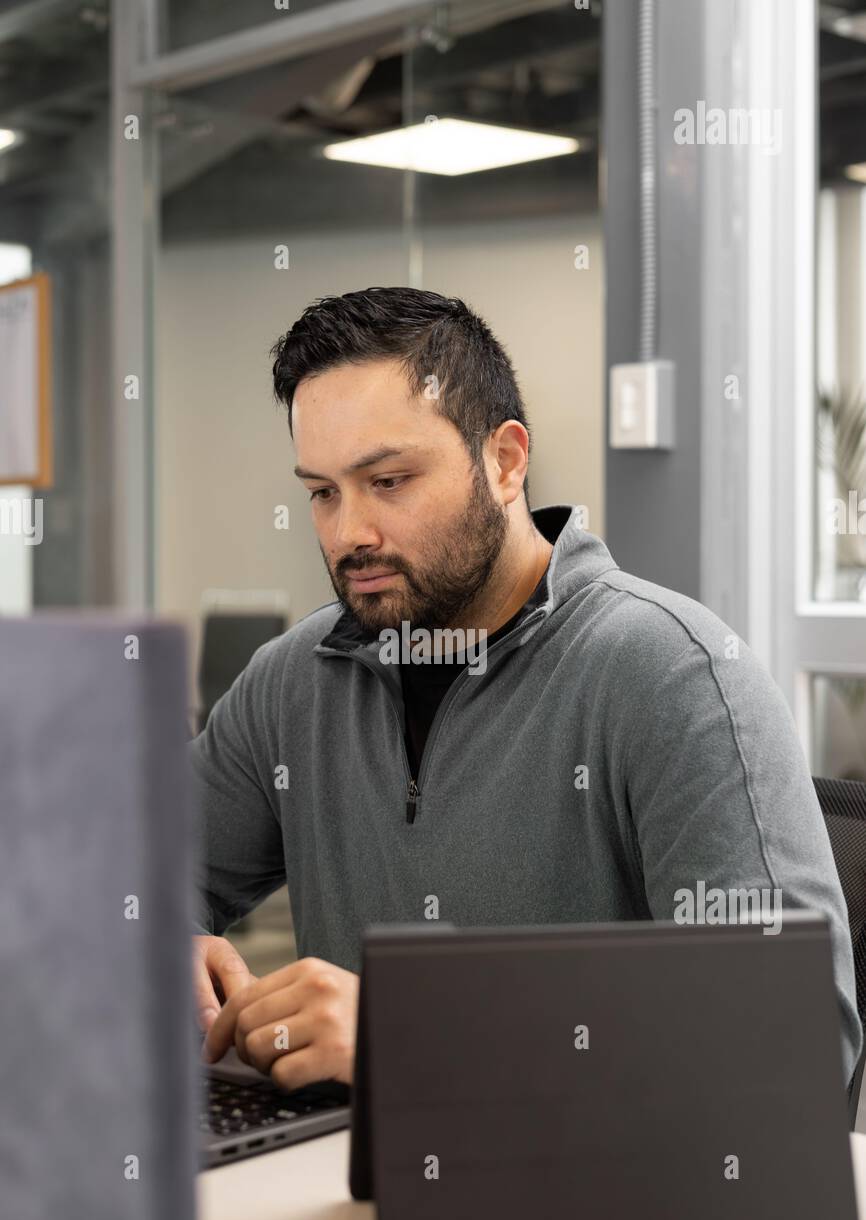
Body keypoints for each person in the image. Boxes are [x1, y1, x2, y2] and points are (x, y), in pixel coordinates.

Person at [192, 286, 862, 1091]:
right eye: (323, 492)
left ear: (505, 461)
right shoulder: (294, 681)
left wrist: (411, 1033)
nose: (348, 534)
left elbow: (797, 1048)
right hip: (335, 1183)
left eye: (390, 481)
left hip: (600, 1200)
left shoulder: (676, 676)